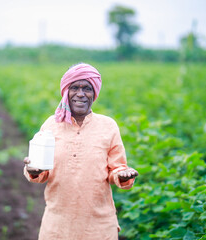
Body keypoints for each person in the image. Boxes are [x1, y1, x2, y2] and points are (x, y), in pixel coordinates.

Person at [23, 63, 138, 240]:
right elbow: (39, 168)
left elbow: (117, 168)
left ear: (95, 93)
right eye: (75, 87)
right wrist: (33, 169)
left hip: (99, 226)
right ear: (66, 91)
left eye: (87, 88)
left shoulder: (108, 126)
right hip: (57, 225)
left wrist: (122, 175)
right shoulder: (51, 125)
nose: (80, 94)